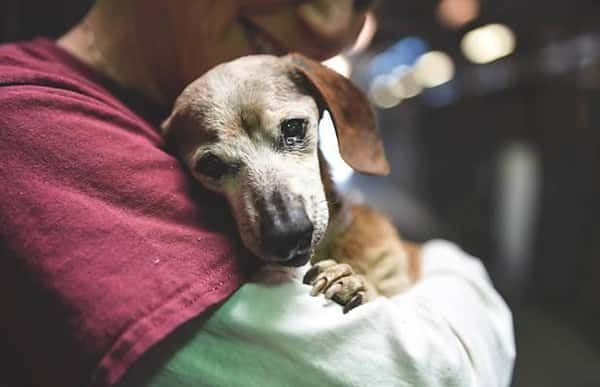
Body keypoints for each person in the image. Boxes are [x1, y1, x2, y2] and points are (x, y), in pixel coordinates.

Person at [0, 1, 515, 386]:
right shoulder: (28, 124)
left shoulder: (149, 116)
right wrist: (457, 270)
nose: (334, 25)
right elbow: (428, 374)